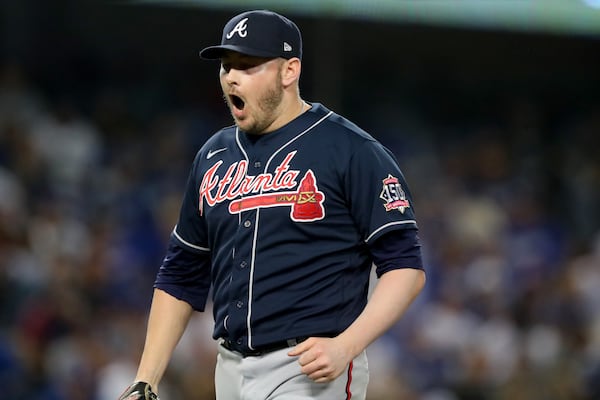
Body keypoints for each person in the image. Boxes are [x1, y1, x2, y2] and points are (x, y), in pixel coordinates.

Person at [118, 9, 426, 400]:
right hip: (228, 366)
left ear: (289, 71)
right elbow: (181, 273)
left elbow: (405, 267)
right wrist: (146, 377)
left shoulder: (352, 150)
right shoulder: (213, 155)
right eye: (227, 65)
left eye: (248, 65)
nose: (232, 76)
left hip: (308, 367)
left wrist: (346, 345)